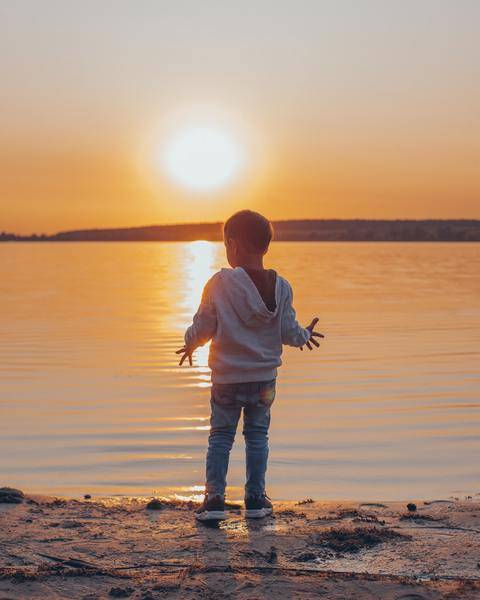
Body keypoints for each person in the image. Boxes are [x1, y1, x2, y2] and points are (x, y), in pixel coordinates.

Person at [176, 210, 323, 521]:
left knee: (220, 437)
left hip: (227, 379)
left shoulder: (218, 283)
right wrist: (304, 335)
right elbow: (288, 331)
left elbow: (204, 326)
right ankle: (255, 499)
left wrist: (191, 342)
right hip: (263, 381)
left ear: (233, 245)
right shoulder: (282, 286)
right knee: (257, 436)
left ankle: (214, 499)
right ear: (266, 247)